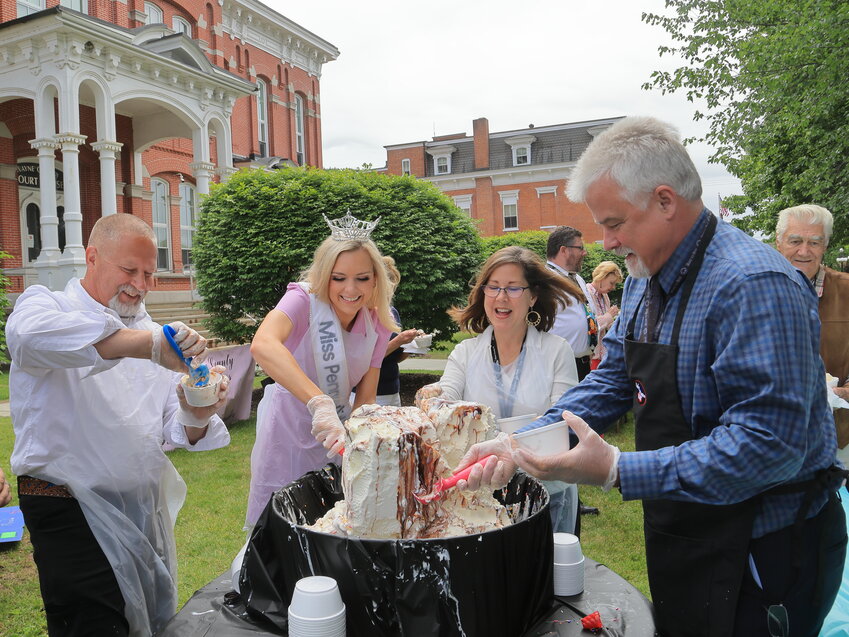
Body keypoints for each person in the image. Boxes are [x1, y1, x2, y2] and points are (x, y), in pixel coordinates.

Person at [456, 116, 846, 636]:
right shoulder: (645, 277)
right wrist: (522, 441)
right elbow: (614, 377)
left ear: (665, 201)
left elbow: (768, 446)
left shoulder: (754, 285)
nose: (606, 242)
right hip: (684, 528)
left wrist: (617, 468)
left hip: (763, 548)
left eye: (614, 223)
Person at [6, 213, 231, 637]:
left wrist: (198, 409)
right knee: (93, 624)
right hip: (67, 507)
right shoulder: (46, 304)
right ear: (92, 257)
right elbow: (29, 339)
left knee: (147, 617)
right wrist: (147, 346)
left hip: (141, 507)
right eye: (129, 270)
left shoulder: (152, 334)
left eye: (149, 273)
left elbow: (175, 426)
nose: (140, 284)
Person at [246, 212, 395, 526]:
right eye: (338, 277)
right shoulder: (303, 300)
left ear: (376, 279)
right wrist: (319, 402)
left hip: (336, 437)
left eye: (362, 278)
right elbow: (263, 344)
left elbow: (365, 398)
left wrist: (365, 440)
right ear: (324, 274)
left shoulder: (377, 322)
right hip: (287, 433)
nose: (350, 289)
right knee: (283, 527)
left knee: (332, 526)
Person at [422, 246, 580, 533]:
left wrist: (509, 442)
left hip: (546, 494)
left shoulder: (556, 351)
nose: (501, 297)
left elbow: (562, 422)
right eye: (493, 287)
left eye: (512, 288)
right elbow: (444, 402)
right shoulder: (465, 353)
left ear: (532, 296)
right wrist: (432, 399)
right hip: (481, 494)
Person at [775, 204, 849, 459]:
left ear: (826, 246)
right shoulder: (754, 290)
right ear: (779, 242)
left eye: (814, 243)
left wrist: (839, 393)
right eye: (795, 240)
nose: (804, 251)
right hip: (772, 436)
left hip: (839, 436)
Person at [545, 226, 598, 380]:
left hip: (582, 364)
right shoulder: (545, 281)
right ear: (564, 250)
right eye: (580, 248)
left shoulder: (578, 279)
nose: (584, 252)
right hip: (558, 368)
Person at [374, 256, 420, 406]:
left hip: (392, 390)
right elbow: (369, 358)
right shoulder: (365, 314)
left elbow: (395, 358)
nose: (391, 291)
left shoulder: (392, 312)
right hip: (371, 392)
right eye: (388, 285)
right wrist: (399, 340)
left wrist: (412, 345)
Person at [586, 261, 622, 369]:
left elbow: (607, 326)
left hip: (603, 355)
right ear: (601, 276)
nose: (613, 287)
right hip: (591, 356)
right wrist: (608, 316)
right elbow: (588, 325)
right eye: (612, 283)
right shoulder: (586, 293)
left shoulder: (605, 296)